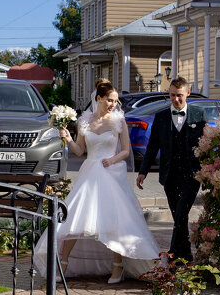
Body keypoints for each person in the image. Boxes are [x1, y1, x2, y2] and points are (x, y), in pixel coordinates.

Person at [35, 79, 160, 283]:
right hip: (90, 172)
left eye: (116, 101)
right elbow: (80, 151)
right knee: (75, 217)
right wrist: (67, 138)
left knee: (114, 219)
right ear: (99, 98)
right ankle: (63, 264)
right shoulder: (85, 121)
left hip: (110, 172)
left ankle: (117, 266)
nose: (113, 104)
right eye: (109, 100)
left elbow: (126, 151)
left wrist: (112, 159)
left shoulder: (119, 121)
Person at [136, 77, 204, 262]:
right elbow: (152, 146)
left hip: (192, 174)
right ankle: (185, 254)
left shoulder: (199, 115)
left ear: (187, 93)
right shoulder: (161, 117)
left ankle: (174, 252)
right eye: (173, 95)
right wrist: (143, 171)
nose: (176, 99)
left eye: (180, 96)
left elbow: (206, 145)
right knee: (178, 216)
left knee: (181, 212)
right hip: (169, 175)